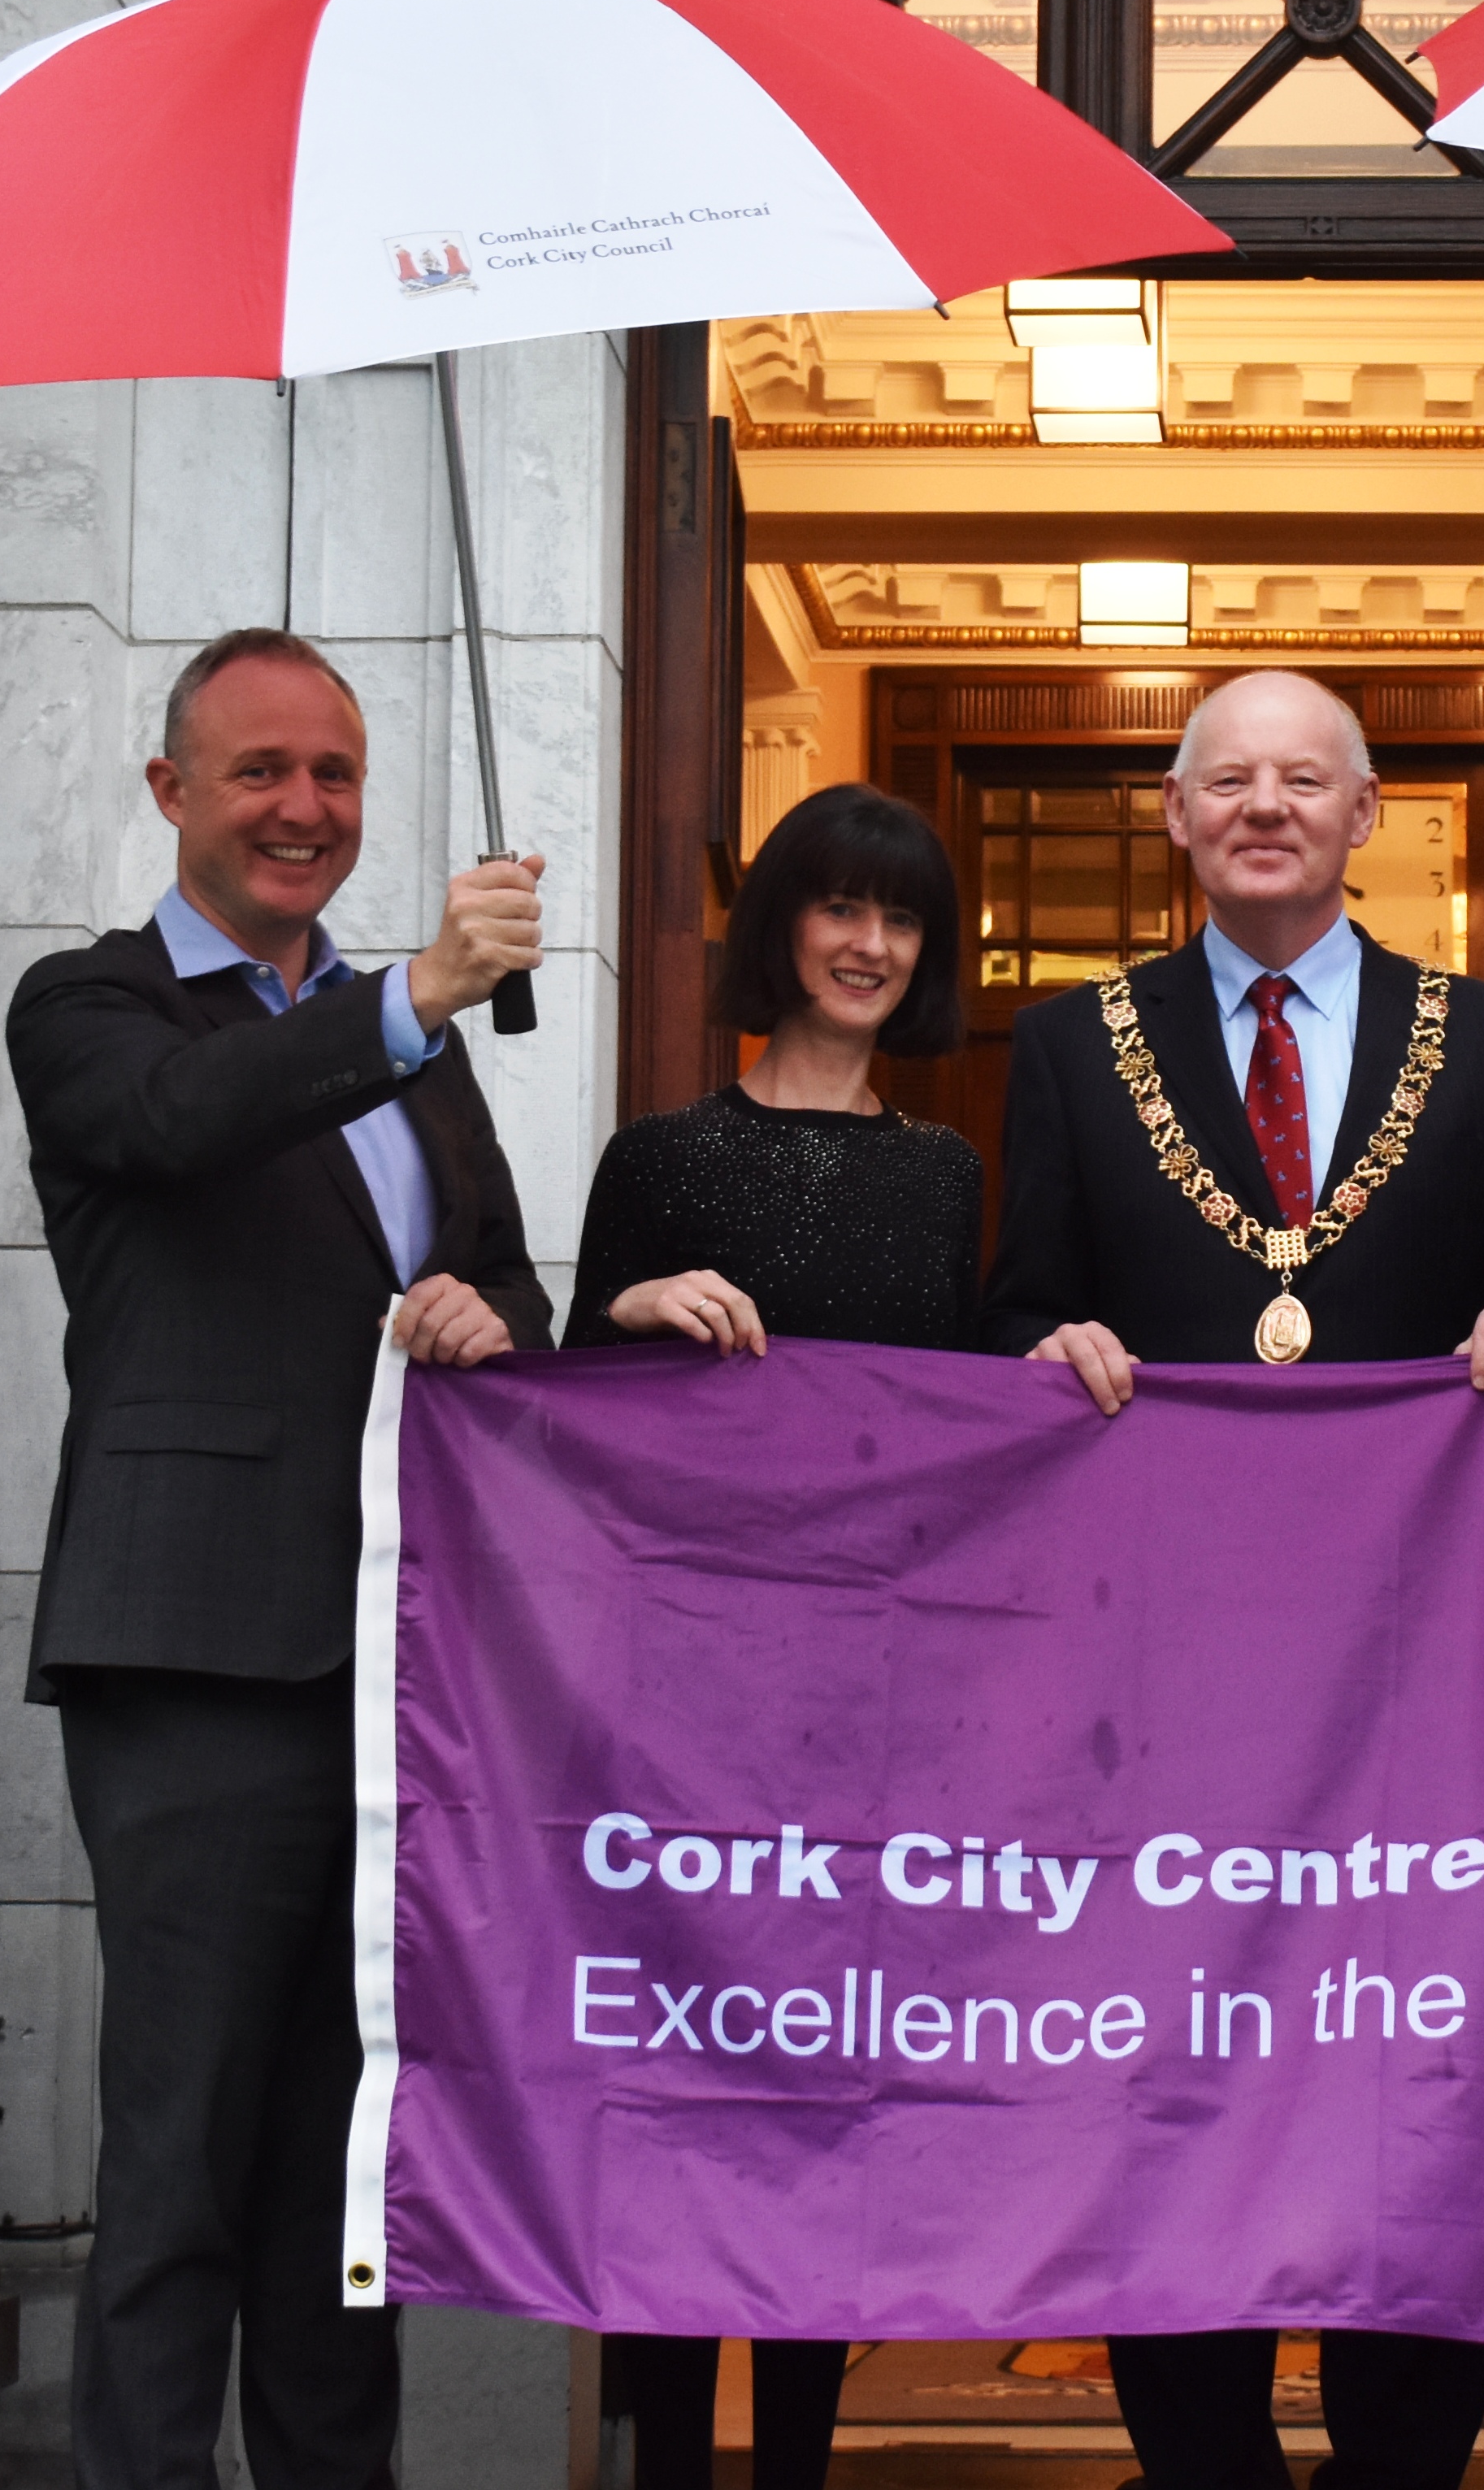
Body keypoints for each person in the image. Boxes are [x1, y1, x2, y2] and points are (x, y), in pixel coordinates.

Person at [976, 666, 1484, 2490]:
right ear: (1172, 816)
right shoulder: (1072, 1043)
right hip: (1159, 1693)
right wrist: (1045, 1347)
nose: (1264, 805)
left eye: (1302, 780)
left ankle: (1395, 2466)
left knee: (1411, 2083)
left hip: (1421, 1691)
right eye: (1226, 779)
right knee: (1182, 2093)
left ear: (1364, 813)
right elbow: (1016, 1308)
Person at [9, 628, 551, 2490]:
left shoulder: (416, 1057)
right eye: (257, 771)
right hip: (191, 1655)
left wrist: (495, 1315)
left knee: (343, 2174)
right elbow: (183, 1125)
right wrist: (410, 993)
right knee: (176, 2158)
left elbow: (511, 1302)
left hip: (397, 1671)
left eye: (331, 771)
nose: (302, 806)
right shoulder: (90, 1009)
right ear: (170, 793)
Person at [567, 779, 987, 2490]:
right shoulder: (657, 1163)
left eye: (899, 917)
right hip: (677, 1710)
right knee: (678, 2104)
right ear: (781, 930)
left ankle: (796, 2467)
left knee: (830, 2112)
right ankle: (671, 2464)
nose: (869, 944)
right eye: (838, 907)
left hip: (873, 1711)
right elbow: (557, 1436)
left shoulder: (953, 1178)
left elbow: (971, 1441)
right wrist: (625, 1309)